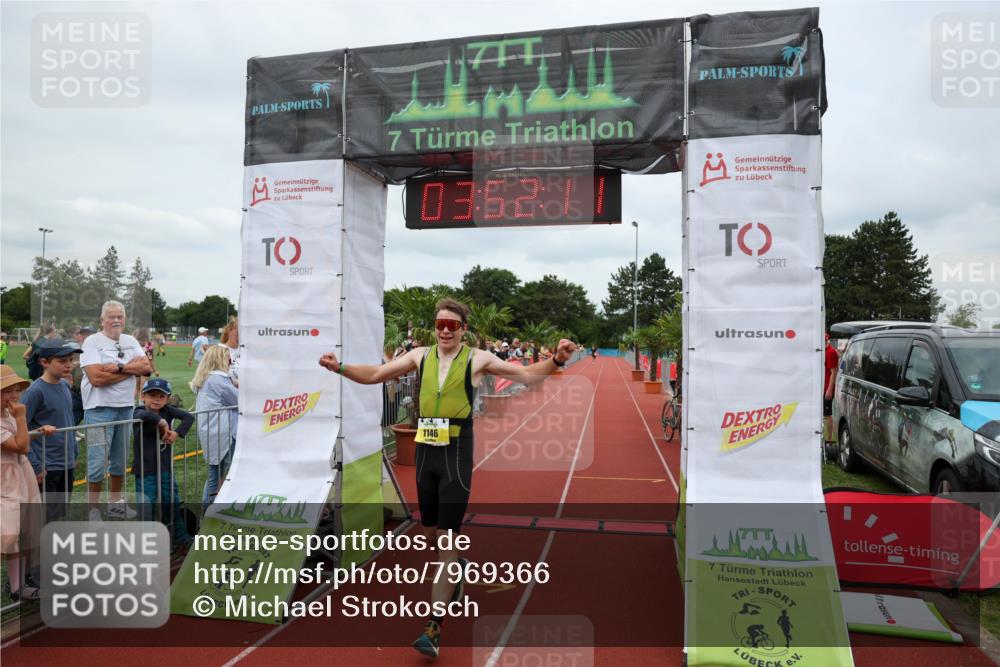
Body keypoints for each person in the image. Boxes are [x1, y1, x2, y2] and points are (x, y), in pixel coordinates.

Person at [319, 297, 577, 659]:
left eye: (451, 325)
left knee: (446, 538)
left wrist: (557, 360)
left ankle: (433, 627)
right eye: (440, 324)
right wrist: (340, 367)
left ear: (462, 330)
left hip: (456, 452)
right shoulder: (419, 355)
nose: (444, 330)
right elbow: (376, 375)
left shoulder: (477, 359)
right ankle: (457, 565)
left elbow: (526, 376)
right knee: (432, 530)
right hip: (426, 450)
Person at [80, 301, 151, 521]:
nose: (116, 320)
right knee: (97, 461)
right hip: (99, 408)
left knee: (120, 461)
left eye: (120, 316)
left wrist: (120, 368)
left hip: (125, 408)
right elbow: (97, 378)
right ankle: (93, 510)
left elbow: (147, 368)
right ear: (102, 320)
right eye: (111, 316)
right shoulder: (92, 342)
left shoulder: (130, 340)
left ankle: (115, 504)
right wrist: (132, 370)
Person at [132, 378, 194, 552]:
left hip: (165, 469)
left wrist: (177, 433)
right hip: (145, 471)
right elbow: (142, 415)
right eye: (152, 395)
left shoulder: (167, 409)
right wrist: (161, 422)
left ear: (167, 399)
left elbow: (188, 417)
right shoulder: (139, 410)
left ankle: (179, 537)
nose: (157, 400)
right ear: (143, 396)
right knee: (146, 506)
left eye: (161, 396)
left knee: (171, 503)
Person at [22, 339, 80, 522]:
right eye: (62, 361)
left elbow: (68, 422)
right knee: (43, 517)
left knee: (59, 514)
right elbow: (21, 430)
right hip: (47, 467)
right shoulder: (35, 392)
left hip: (66, 463)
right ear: (44, 362)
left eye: (71, 360)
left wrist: (74, 454)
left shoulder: (64, 385)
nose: (68, 365)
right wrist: (36, 466)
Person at [1, 366, 42, 601]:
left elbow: (22, 437)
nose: (14, 397)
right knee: (8, 534)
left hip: (20, 474)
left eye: (16, 390)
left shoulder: (9, 415)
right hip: (5, 481)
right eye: (7, 391)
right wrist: (21, 417)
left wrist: (36, 430)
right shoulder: (12, 416)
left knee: (25, 530)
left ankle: (19, 586)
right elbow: (21, 446)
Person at [191, 346, 238, 510]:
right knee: (229, 474)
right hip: (224, 433)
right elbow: (238, 401)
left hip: (212, 432)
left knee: (213, 475)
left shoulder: (206, 378)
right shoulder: (219, 380)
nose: (231, 362)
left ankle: (207, 512)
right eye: (228, 358)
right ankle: (216, 511)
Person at [68, 327, 94, 425]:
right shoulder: (74, 351)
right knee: (71, 423)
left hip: (93, 394)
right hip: (76, 394)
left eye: (89, 334)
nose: (86, 337)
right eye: (83, 334)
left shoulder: (100, 351)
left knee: (93, 425)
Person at [824, 332, 840, 450]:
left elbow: (834, 372)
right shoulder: (821, 351)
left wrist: (829, 390)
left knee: (827, 414)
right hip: (821, 387)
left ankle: (829, 440)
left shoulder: (831, 352)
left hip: (826, 388)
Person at [219, 317, 241, 386]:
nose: (240, 333)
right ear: (229, 331)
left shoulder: (245, 351)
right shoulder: (219, 351)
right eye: (238, 330)